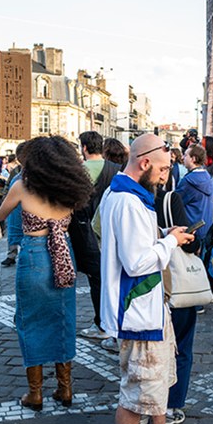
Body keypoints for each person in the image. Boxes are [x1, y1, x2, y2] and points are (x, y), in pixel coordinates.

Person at [98, 134, 194, 424]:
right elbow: (136, 262)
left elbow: (123, 238)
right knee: (135, 395)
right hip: (137, 311)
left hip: (148, 307)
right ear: (145, 162)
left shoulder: (129, 193)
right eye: (164, 169)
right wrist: (170, 242)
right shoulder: (127, 200)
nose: (167, 175)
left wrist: (163, 233)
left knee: (156, 385)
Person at [0, 136, 93, 411]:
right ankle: (65, 388)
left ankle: (35, 393)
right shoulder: (68, 188)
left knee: (31, 321)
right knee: (63, 318)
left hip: (34, 255)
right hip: (64, 253)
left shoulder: (21, 187)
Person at [154, 173, 200, 424]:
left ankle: (144, 403)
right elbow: (192, 245)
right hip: (174, 287)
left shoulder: (121, 199)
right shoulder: (170, 200)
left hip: (140, 290)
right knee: (181, 346)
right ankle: (172, 405)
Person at [74, 131, 122, 341]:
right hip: (113, 228)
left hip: (86, 231)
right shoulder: (117, 170)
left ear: (84, 147)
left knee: (96, 279)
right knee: (113, 277)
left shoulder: (78, 171)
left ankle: (101, 323)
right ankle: (113, 323)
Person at [175, 144, 213, 242]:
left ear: (194, 158)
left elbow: (175, 202)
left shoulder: (189, 181)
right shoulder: (208, 177)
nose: (183, 157)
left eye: (186, 155)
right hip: (206, 229)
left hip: (192, 232)